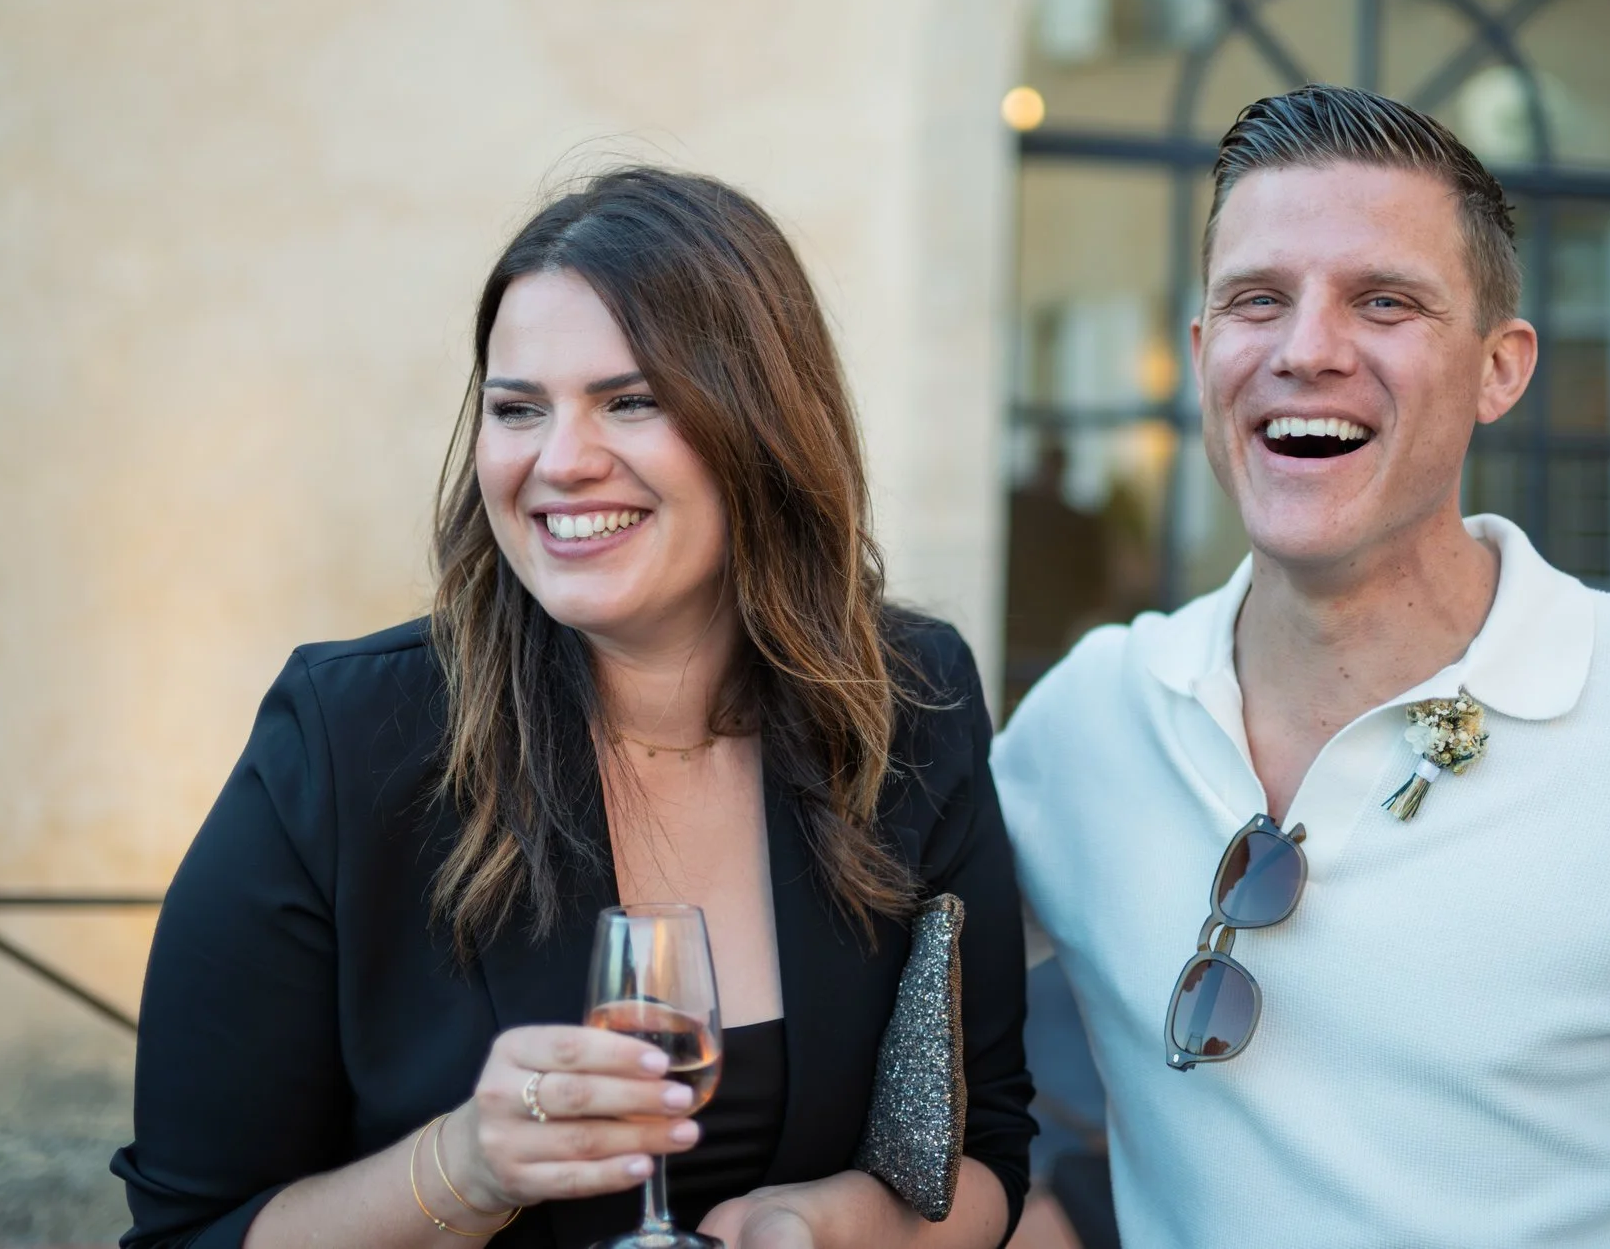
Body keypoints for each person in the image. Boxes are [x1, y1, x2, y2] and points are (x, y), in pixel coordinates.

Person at [991, 87, 1610, 1247]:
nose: (1306, 349)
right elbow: (876, 1004)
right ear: (1203, 351)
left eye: (1384, 301)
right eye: (1257, 299)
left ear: (1499, 369)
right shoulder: (1091, 717)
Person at [114, 169, 1034, 1249]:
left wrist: (818, 1226)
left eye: (630, 401)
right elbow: (189, 1231)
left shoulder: (909, 701)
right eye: (518, 409)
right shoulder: (343, 740)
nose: (559, 461)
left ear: (765, 423)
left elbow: (987, 1148)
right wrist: (465, 1167)